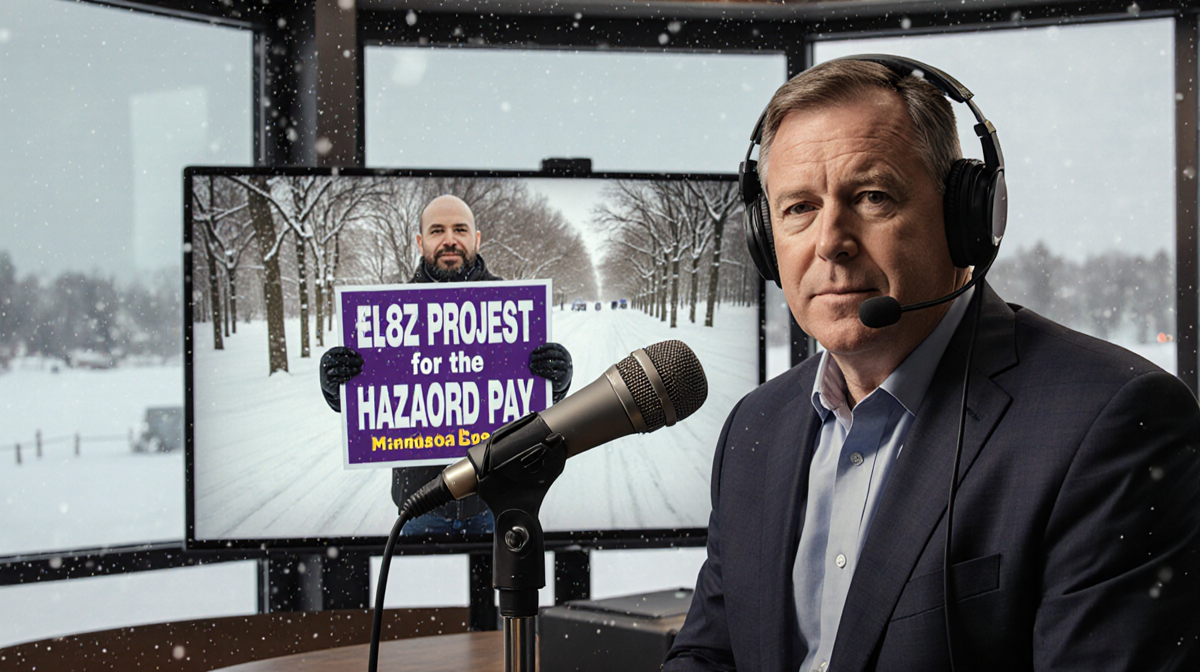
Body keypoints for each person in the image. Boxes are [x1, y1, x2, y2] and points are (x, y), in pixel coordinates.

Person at [663, 57, 1200, 672]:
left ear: (964, 221)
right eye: (798, 208)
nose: (829, 240)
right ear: (765, 239)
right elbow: (710, 654)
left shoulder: (1113, 423)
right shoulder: (755, 428)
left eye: (871, 196)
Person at [319, 193, 573, 534]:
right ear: (421, 241)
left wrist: (556, 382)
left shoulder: (517, 308)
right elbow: (370, 403)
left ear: (476, 239)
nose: (449, 240)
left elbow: (534, 411)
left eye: (460, 229)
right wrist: (338, 388)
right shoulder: (384, 315)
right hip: (421, 506)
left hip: (498, 504)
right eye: (438, 230)